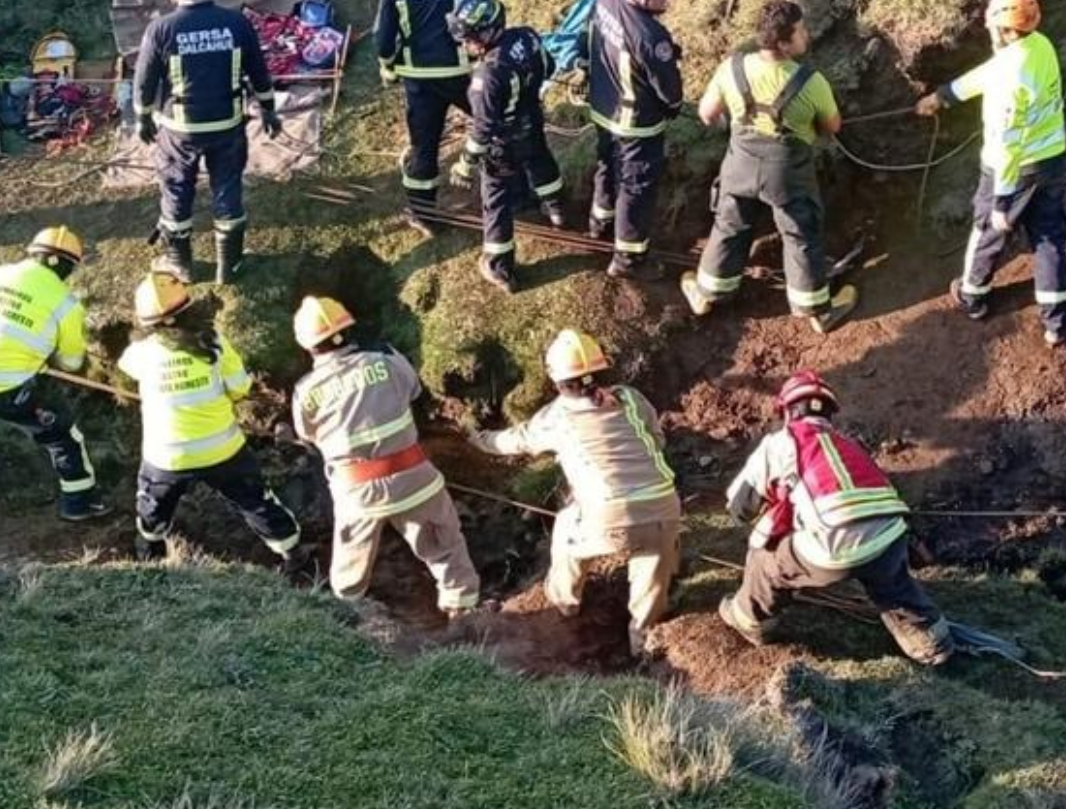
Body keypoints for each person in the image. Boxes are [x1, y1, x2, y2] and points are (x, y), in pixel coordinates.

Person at [716, 370, 953, 665]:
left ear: (787, 411)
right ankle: (931, 641)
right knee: (891, 583)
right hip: (890, 536)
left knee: (766, 562)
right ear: (829, 413)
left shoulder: (780, 442)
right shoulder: (849, 446)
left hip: (832, 545)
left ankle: (748, 618)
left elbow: (740, 507)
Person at [468, 330, 681, 654]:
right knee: (652, 568)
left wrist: (477, 439)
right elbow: (657, 440)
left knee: (568, 524)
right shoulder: (631, 398)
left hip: (607, 516)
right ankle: (644, 637)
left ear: (557, 380)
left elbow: (514, 441)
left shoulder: (557, 417)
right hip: (664, 508)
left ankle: (563, 603)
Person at [915, 0, 1066, 345]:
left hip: (1011, 169)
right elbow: (990, 71)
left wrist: (1002, 202)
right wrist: (944, 96)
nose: (989, 33)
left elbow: (1007, 145)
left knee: (988, 230)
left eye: (992, 28)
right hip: (1050, 158)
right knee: (1049, 236)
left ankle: (973, 295)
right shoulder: (1039, 45)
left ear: (1005, 30)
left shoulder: (1009, 83)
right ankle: (1058, 322)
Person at [290, 296, 481, 617]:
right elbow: (415, 391)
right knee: (446, 549)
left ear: (308, 347)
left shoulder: (305, 390)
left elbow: (307, 434)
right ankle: (464, 617)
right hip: (415, 480)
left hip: (357, 494)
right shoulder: (389, 360)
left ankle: (346, 620)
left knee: (349, 568)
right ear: (349, 331)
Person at [682, 0, 857, 333]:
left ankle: (707, 293)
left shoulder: (731, 67)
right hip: (787, 172)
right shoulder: (811, 81)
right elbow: (833, 126)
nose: (806, 35)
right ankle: (817, 311)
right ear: (783, 43)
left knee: (730, 225)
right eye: (801, 31)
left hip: (739, 164)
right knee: (800, 233)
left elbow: (706, 113)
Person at [117, 272, 305, 569]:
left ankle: (148, 551)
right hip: (224, 450)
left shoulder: (140, 353)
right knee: (255, 500)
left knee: (153, 503)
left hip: (167, 457)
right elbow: (240, 387)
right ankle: (293, 553)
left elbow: (125, 366)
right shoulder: (214, 344)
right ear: (189, 309)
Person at [0, 227, 110, 516]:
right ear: (67, 266)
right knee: (62, 435)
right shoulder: (65, 303)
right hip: (10, 390)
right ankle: (80, 504)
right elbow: (72, 364)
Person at [132, 0, 280, 285]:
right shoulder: (236, 22)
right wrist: (269, 110)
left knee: (176, 190)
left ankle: (181, 265)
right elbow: (259, 71)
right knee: (227, 190)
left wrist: (142, 119)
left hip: (178, 131)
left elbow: (144, 82)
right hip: (228, 126)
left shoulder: (161, 29)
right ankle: (229, 266)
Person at [372, 0, 495, 236]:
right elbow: (493, 14)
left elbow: (383, 38)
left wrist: (388, 67)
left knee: (423, 146)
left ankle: (422, 212)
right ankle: (512, 191)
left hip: (419, 79)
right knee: (493, 127)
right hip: (463, 74)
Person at [448, 0, 566, 293]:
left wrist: (465, 163)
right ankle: (557, 209)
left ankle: (499, 265)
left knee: (496, 198)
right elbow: (549, 67)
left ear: (487, 31)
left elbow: (483, 127)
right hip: (532, 122)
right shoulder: (527, 37)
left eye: (470, 37)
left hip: (502, 143)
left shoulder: (486, 76)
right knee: (541, 161)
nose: (466, 44)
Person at [585, 0, 683, 278]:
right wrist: (672, 109)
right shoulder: (652, 39)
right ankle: (629, 259)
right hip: (635, 125)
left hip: (602, 108)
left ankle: (600, 221)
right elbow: (670, 94)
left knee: (607, 167)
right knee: (635, 186)